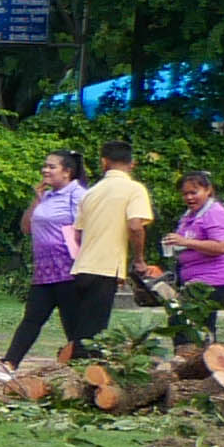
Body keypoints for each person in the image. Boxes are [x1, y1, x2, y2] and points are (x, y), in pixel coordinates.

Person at [0, 147, 88, 367]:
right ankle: (9, 364)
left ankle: (82, 369)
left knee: (72, 324)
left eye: (51, 167)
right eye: (45, 166)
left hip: (69, 271)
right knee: (32, 318)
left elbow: (86, 229)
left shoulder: (78, 195)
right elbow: (26, 228)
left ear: (67, 172)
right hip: (44, 271)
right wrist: (36, 200)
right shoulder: (46, 196)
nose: (45, 170)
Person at [66, 138, 152, 350]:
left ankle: (75, 361)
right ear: (132, 164)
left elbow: (78, 234)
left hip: (82, 267)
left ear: (104, 162)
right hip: (106, 268)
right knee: (94, 332)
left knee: (83, 327)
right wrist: (139, 260)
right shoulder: (134, 189)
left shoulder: (91, 193)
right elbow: (135, 226)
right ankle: (82, 365)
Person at [161, 165, 224, 344]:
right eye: (185, 194)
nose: (189, 197)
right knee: (188, 322)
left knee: (185, 322)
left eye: (194, 192)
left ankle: (194, 356)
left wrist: (185, 242)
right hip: (193, 278)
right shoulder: (190, 215)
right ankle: (197, 356)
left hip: (212, 280)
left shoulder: (215, 213)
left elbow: (222, 247)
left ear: (208, 190)